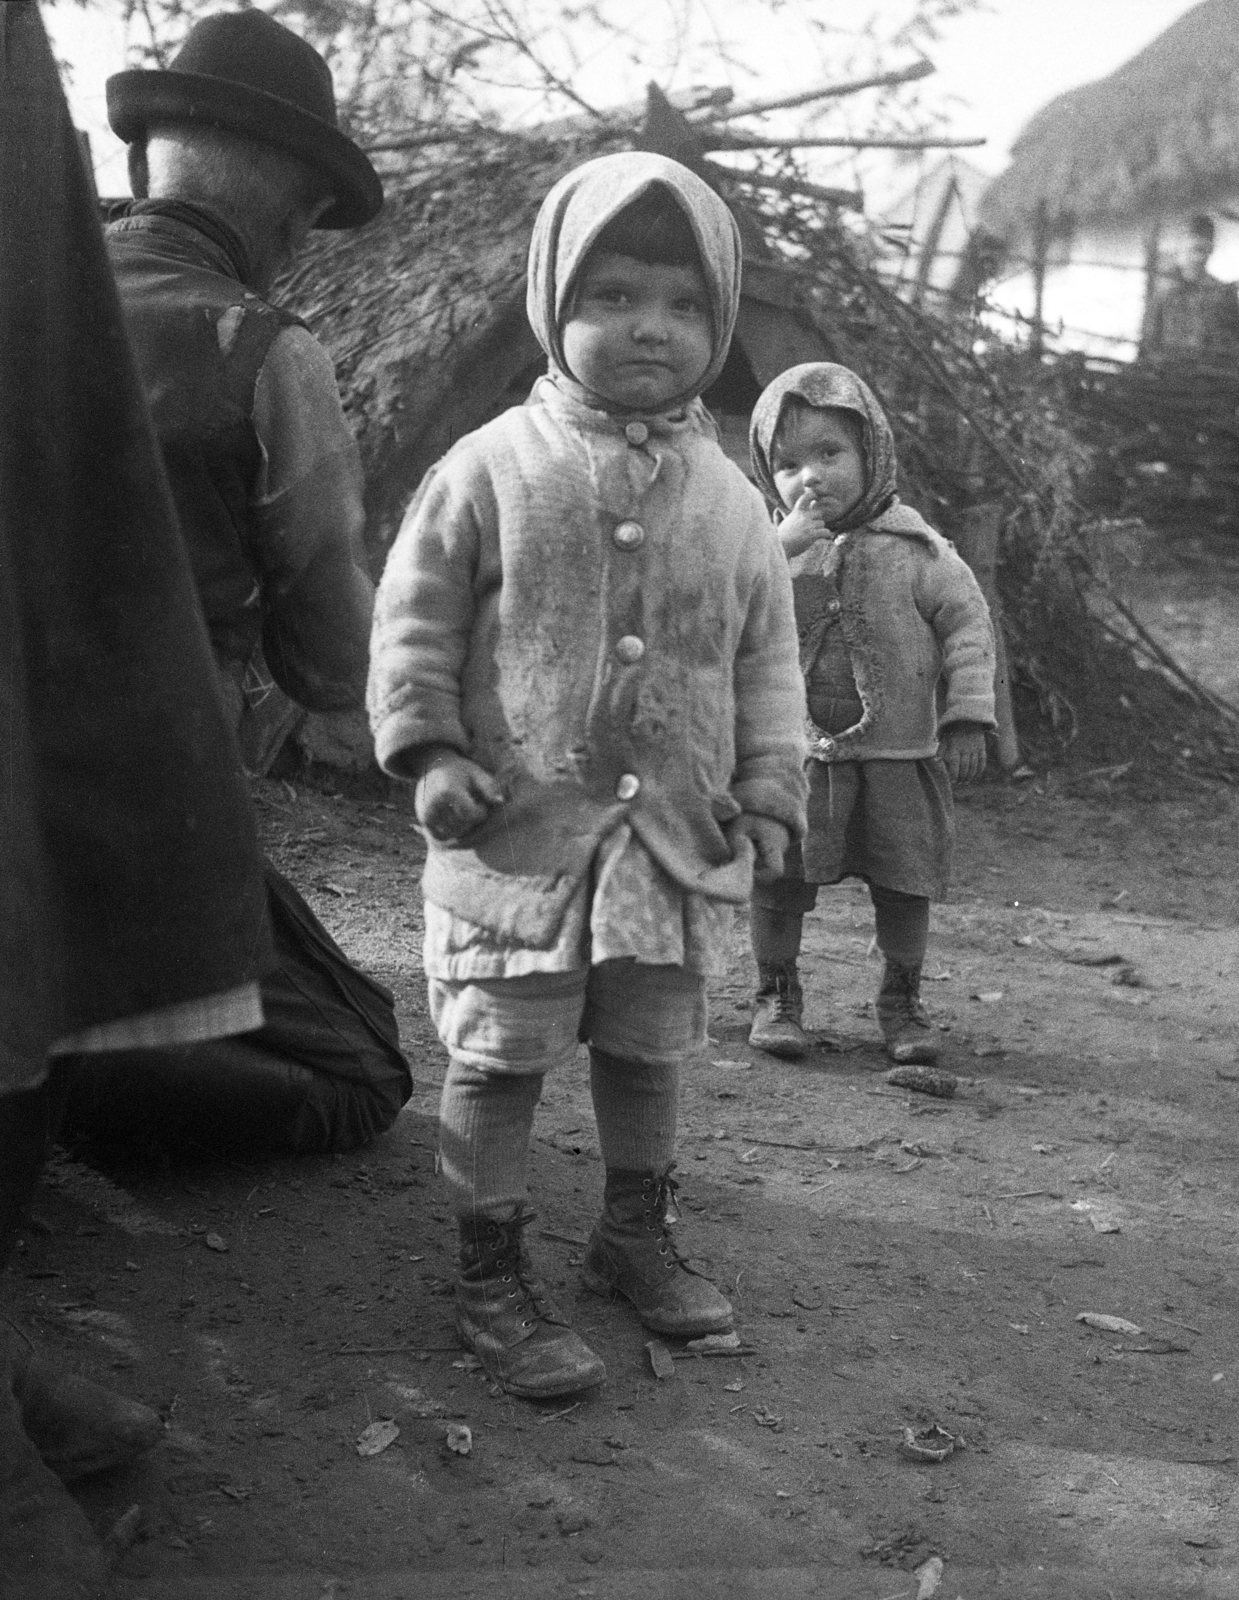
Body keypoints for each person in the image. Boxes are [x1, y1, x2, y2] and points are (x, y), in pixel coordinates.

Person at [366, 152, 807, 1399]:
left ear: (718, 323)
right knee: (500, 1053)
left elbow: (766, 661)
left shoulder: (731, 499)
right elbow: (415, 618)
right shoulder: (488, 464)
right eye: (611, 294)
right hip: (516, 832)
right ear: (552, 299)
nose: (647, 328)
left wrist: (770, 785)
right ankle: (488, 1273)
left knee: (646, 1047)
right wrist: (432, 748)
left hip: (672, 836)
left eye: (679, 303)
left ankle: (630, 1233)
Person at [2, 5, 275, 1590]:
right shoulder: (265, 349)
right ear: (279, 200)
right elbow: (327, 615)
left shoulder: (72, 261)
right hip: (161, 781)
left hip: (96, 762)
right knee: (338, 1064)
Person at [55, 9, 412, 1159]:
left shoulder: (22, 295)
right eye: (309, 212)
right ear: (285, 199)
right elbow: (331, 657)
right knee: (365, 1066)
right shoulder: (263, 351)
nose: (304, 241)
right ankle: (67, 1076)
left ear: (148, 154)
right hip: (143, 825)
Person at [744, 363, 997, 1066]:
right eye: (788, 463)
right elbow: (727, 615)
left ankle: (901, 999)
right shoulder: (763, 550)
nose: (810, 478)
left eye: (830, 455)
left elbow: (968, 629)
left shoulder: (918, 550)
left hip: (895, 755)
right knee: (779, 879)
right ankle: (776, 992)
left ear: (872, 453)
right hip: (797, 758)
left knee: (903, 879)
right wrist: (779, 548)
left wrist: (967, 716)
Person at [1141, 213, 1239, 363]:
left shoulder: (1224, 293)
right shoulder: (1164, 294)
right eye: (1194, 250)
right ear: (1181, 248)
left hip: (1208, 375)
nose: (1199, 258)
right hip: (1169, 373)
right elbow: (1150, 344)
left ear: (1211, 250)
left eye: (1204, 250)